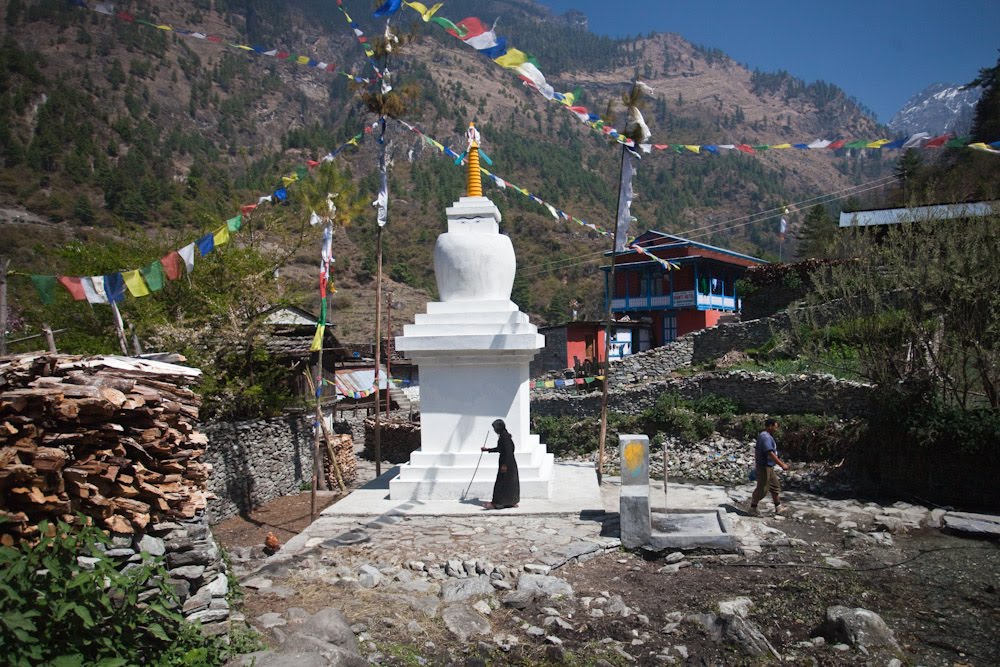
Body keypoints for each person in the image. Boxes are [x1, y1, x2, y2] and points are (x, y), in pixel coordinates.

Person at [748, 418, 789, 516]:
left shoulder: (766, 436)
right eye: (775, 427)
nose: (776, 429)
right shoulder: (765, 437)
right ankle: (753, 507)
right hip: (764, 467)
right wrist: (781, 464)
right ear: (770, 426)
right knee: (762, 489)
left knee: (775, 486)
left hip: (769, 467)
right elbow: (769, 452)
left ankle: (778, 507)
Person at [482, 419, 519, 509]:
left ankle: (496, 503)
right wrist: (488, 450)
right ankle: (511, 501)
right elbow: (500, 449)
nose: (494, 430)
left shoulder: (504, 437)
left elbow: (508, 452)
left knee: (501, 483)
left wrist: (504, 465)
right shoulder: (504, 436)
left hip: (506, 463)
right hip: (510, 463)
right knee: (510, 483)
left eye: (495, 428)